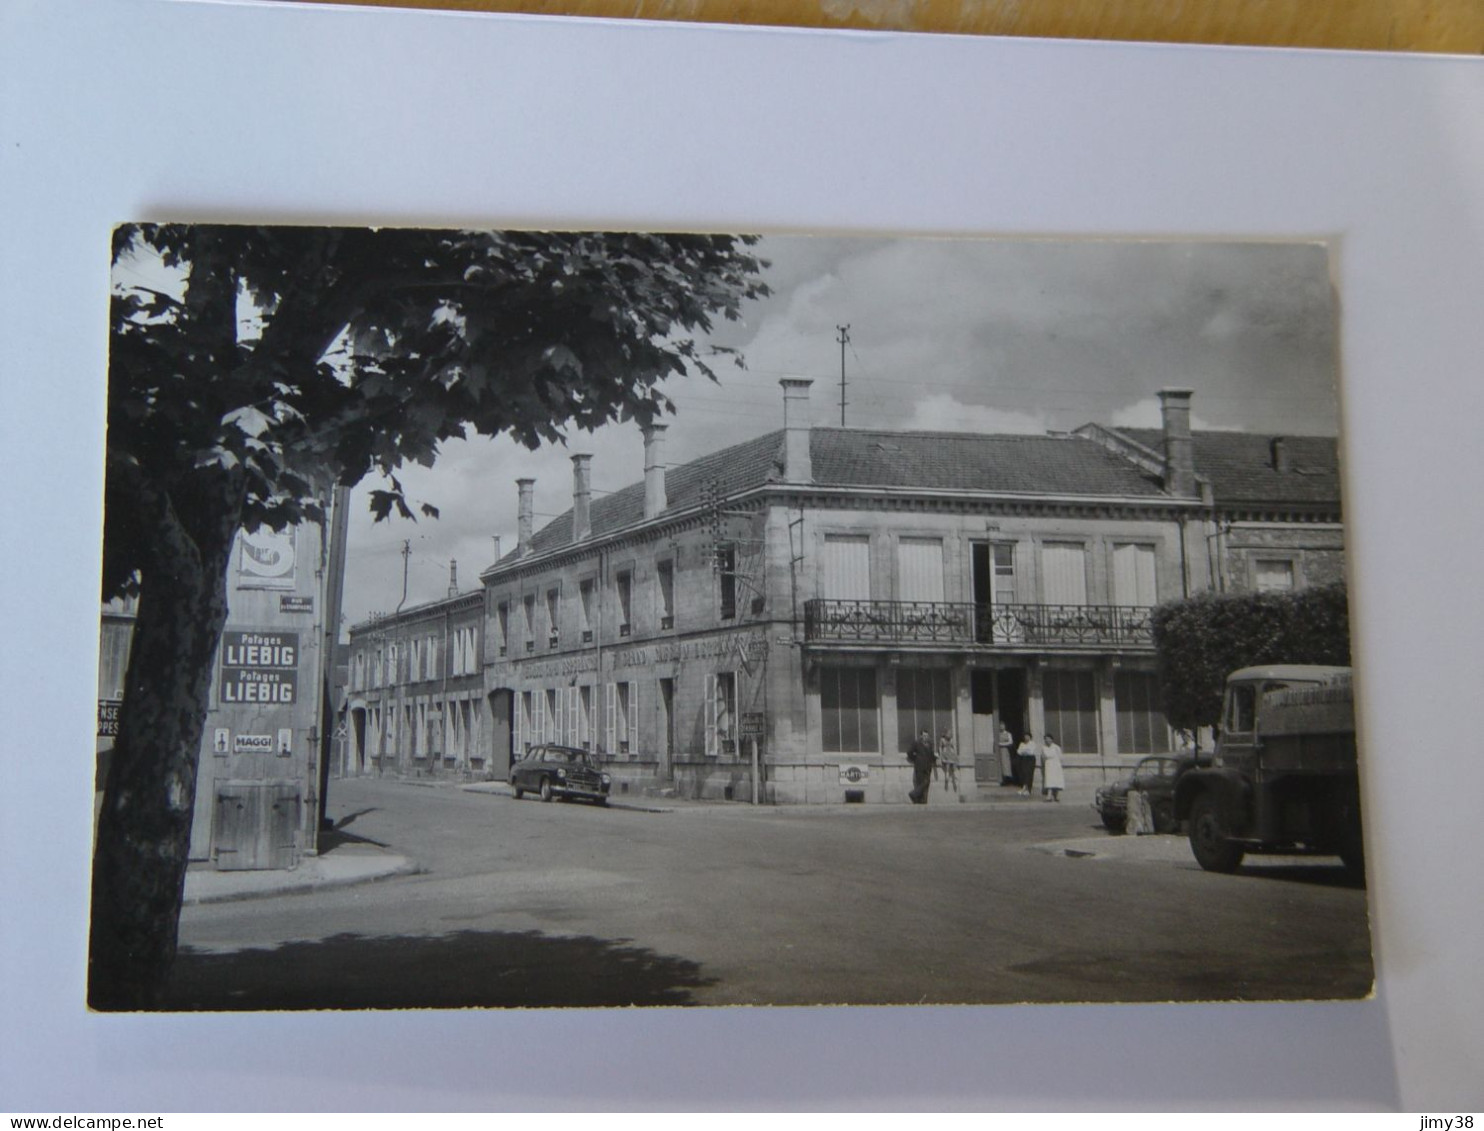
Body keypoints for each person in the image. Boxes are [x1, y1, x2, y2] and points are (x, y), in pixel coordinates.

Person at [906, 728, 937, 804]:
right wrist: (915, 759)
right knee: (921, 782)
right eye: (924, 735)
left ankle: (923, 800)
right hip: (919, 766)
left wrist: (935, 758)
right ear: (921, 736)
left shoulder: (930, 744)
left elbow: (931, 755)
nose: (925, 737)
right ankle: (916, 797)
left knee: (926, 783)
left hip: (928, 767)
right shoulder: (916, 743)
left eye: (926, 735)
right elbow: (909, 752)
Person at [1041, 733, 1066, 802]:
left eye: (1049, 739)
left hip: (1056, 765)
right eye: (1046, 739)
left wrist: (1060, 764)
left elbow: (1060, 757)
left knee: (1057, 780)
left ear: (1052, 739)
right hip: (1048, 765)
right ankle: (1049, 797)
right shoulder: (1044, 748)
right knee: (1049, 780)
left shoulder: (1056, 747)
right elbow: (1043, 757)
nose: (1047, 740)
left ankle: (1057, 796)